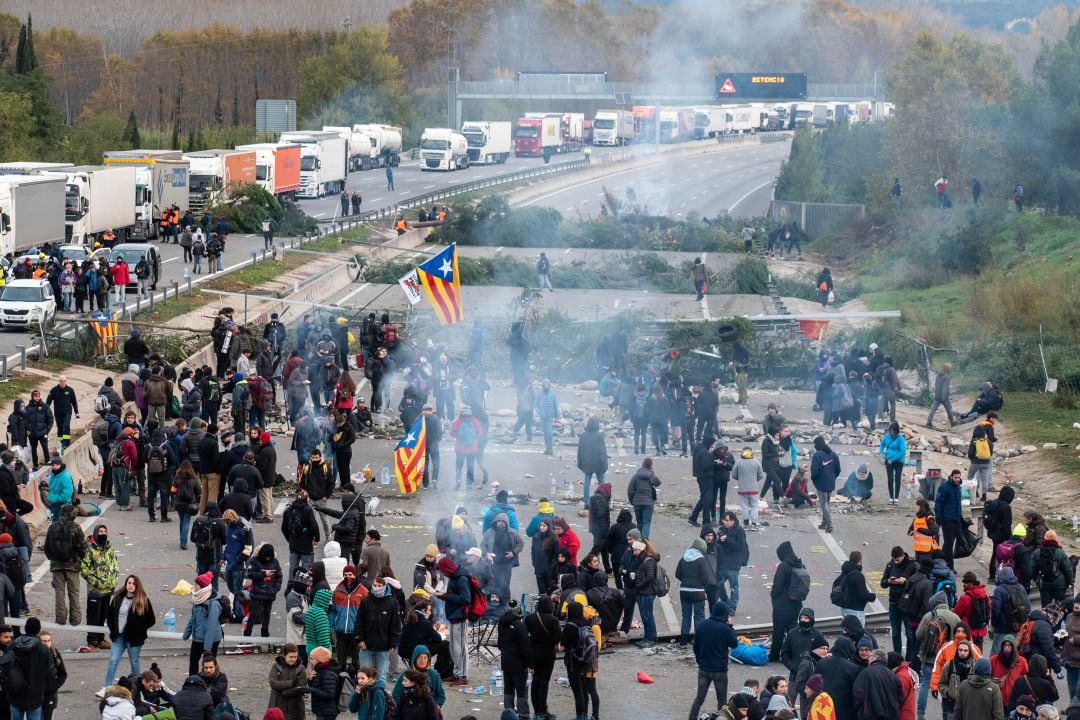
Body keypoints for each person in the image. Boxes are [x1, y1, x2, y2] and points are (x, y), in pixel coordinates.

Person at [100, 574, 155, 695]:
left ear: (137, 586)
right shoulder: (118, 597)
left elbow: (151, 620)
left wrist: (138, 629)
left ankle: (137, 688)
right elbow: (110, 615)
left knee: (134, 662)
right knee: (113, 660)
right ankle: (106, 687)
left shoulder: (143, 600)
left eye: (133, 583)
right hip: (118, 636)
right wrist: (112, 628)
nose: (130, 585)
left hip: (134, 638)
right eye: (129, 583)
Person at [46, 503, 86, 627]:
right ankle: (75, 619)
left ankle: (61, 618)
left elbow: (47, 546)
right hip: (72, 566)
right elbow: (83, 546)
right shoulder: (75, 527)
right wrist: (81, 558)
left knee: (59, 592)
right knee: (73, 592)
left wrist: (52, 558)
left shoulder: (52, 527)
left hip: (56, 565)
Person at [358, 574, 403, 682]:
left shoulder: (392, 603)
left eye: (379, 585)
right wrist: (360, 639)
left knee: (381, 677)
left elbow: (396, 625)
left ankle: (380, 697)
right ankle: (365, 697)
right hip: (366, 646)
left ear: (384, 587)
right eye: (375, 585)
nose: (376, 587)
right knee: (364, 676)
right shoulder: (366, 601)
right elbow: (359, 622)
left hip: (383, 646)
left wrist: (393, 643)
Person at [770, 541, 809, 664]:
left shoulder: (784, 566)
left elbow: (777, 585)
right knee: (793, 631)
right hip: (796, 603)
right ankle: (793, 654)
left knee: (778, 631)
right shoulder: (800, 564)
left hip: (782, 604)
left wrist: (774, 597)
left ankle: (775, 655)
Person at [435, 557, 470, 685]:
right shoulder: (454, 577)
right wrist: (445, 596)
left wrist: (447, 596)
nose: (443, 573)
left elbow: (466, 599)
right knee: (453, 647)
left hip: (460, 617)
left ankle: (463, 675)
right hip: (454, 616)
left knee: (460, 647)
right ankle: (456, 673)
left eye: (443, 571)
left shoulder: (461, 579)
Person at [676, 535, 715, 648]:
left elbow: (677, 574)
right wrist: (703, 586)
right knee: (699, 616)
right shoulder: (701, 560)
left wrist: (686, 581)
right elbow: (706, 577)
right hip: (698, 592)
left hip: (684, 591)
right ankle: (698, 640)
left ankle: (683, 641)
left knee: (686, 616)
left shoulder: (684, 558)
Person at [181, 572, 223, 676]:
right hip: (198, 637)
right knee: (193, 662)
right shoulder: (198, 599)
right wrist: (187, 633)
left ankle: (208, 686)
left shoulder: (213, 604)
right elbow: (193, 618)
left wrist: (207, 648)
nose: (194, 587)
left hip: (211, 640)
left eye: (197, 585)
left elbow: (211, 626)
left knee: (209, 666)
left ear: (203, 587)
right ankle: (192, 684)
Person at [496, 600, 531, 719]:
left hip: (506, 662)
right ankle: (523, 715)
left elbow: (499, 643)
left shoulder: (501, 623)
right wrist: (530, 664)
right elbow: (525, 647)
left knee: (508, 688)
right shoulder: (519, 625)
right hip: (519, 664)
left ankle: (509, 713)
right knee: (521, 690)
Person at [268, 643, 308, 720]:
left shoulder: (301, 668)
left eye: (295, 657)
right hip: (277, 705)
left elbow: (302, 687)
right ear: (284, 655)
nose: (293, 659)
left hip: (296, 708)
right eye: (291, 657)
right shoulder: (276, 666)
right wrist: (292, 682)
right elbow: (273, 683)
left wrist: (285, 692)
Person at [835, 551, 877, 626]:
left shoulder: (845, 572)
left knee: (848, 633)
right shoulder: (858, 576)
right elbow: (863, 595)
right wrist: (872, 596)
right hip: (856, 611)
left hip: (845, 609)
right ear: (860, 560)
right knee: (858, 635)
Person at [935, 469, 965, 570]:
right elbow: (938, 503)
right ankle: (949, 566)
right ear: (951, 477)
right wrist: (938, 518)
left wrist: (960, 517)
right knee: (949, 543)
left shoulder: (958, 487)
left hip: (956, 519)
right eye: (955, 477)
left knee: (950, 542)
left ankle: (942, 560)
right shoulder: (944, 488)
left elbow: (958, 504)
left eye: (959, 477)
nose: (957, 479)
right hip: (946, 519)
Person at [810, 436, 841, 533]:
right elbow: (838, 469)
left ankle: (829, 524)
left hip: (821, 482)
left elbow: (815, 471)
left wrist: (814, 478)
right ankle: (824, 523)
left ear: (817, 444)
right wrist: (832, 477)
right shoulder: (833, 454)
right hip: (830, 482)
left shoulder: (817, 455)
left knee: (824, 504)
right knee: (827, 503)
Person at [632, 540, 659, 647]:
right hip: (642, 592)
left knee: (648, 616)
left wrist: (639, 585)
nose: (634, 553)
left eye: (636, 550)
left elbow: (650, 576)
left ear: (641, 549)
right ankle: (647, 637)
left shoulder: (649, 561)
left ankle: (651, 638)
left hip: (647, 592)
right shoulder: (642, 559)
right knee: (644, 616)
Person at [627, 458, 661, 539]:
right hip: (648, 503)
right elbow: (658, 483)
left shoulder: (635, 476)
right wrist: (652, 472)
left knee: (639, 522)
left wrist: (632, 501)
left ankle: (638, 540)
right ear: (651, 465)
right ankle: (645, 540)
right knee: (646, 522)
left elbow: (630, 490)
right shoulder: (651, 475)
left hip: (637, 503)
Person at [577, 417, 608, 506]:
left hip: (587, 461)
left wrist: (580, 463)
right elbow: (602, 452)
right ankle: (602, 501)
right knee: (601, 483)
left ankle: (586, 502)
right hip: (598, 462)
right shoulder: (599, 436)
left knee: (587, 482)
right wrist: (605, 465)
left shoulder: (583, 435)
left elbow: (579, 450)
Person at [450, 406, 483, 489]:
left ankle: (458, 481)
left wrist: (459, 437)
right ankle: (469, 483)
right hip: (472, 449)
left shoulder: (457, 422)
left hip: (460, 448)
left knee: (459, 466)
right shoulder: (475, 422)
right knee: (470, 466)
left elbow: (453, 434)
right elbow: (480, 434)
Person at [306, 646, 342, 720]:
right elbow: (318, 686)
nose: (310, 661)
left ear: (320, 659)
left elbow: (329, 694)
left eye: (312, 659)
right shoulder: (320, 670)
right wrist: (310, 679)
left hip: (327, 711)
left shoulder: (328, 673)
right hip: (322, 709)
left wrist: (311, 690)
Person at [878, 423, 907, 505]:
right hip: (888, 459)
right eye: (890, 431)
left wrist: (893, 459)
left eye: (893, 431)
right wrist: (881, 453)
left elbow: (903, 452)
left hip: (898, 461)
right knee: (890, 478)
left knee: (897, 478)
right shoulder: (887, 437)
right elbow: (882, 445)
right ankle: (891, 498)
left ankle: (896, 498)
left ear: (896, 431)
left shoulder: (900, 439)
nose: (891, 433)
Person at [534, 380, 558, 455]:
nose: (546, 386)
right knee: (545, 432)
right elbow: (535, 405)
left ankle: (550, 448)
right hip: (542, 416)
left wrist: (556, 417)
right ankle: (547, 448)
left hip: (550, 416)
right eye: (544, 385)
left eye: (547, 384)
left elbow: (555, 405)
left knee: (549, 431)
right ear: (543, 385)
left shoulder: (552, 394)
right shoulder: (539, 394)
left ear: (549, 385)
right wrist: (539, 412)